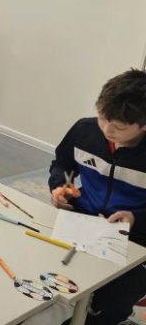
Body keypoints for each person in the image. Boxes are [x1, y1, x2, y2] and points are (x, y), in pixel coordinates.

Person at [48, 69, 146, 325]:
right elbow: (62, 164)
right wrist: (60, 186)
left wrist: (135, 219)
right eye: (102, 118)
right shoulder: (85, 129)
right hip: (81, 219)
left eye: (119, 127)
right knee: (46, 270)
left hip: (134, 239)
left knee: (112, 301)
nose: (107, 130)